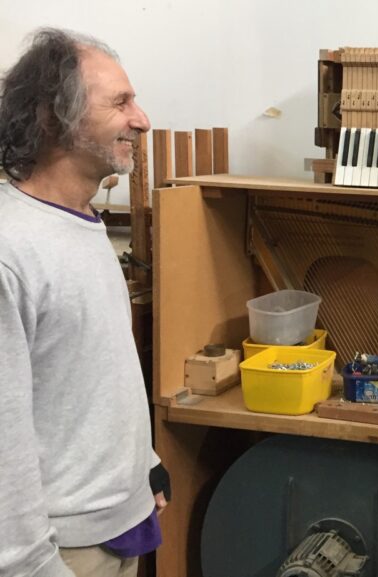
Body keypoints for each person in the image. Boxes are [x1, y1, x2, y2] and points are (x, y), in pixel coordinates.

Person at [0, 29, 169, 577]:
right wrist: (31, 565)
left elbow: (93, 372)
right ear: (54, 116)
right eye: (120, 102)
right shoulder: (11, 246)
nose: (141, 119)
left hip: (121, 529)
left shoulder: (82, 220)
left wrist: (145, 467)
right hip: (59, 554)